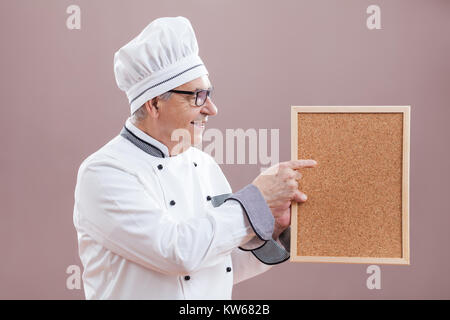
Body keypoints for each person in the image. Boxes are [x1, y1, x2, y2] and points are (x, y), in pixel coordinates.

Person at [73, 16, 317, 299]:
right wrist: (257, 202)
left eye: (209, 94)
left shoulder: (203, 164)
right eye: (198, 96)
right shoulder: (104, 172)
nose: (212, 109)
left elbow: (217, 265)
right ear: (154, 104)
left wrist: (274, 229)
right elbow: (177, 253)